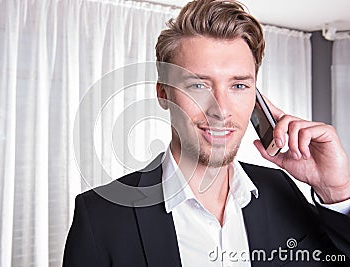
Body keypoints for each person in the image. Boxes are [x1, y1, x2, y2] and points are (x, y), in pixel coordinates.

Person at [63, 0, 350, 266]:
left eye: (238, 86)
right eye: (198, 85)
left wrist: (337, 191)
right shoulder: (100, 216)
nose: (221, 110)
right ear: (163, 93)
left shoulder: (280, 190)